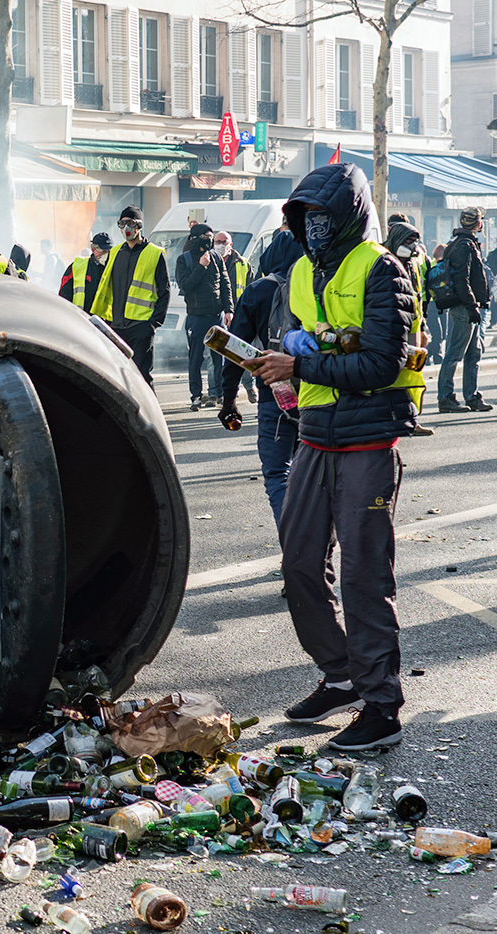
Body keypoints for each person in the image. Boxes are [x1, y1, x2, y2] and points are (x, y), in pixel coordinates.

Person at [251, 162, 421, 752]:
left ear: (348, 215)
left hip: (370, 441)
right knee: (299, 564)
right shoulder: (300, 270)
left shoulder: (383, 269)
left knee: (364, 576)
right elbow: (303, 336)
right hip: (314, 433)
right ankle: (341, 672)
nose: (314, 227)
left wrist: (299, 363)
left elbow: (380, 363)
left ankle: (382, 705)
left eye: (323, 216)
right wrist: (276, 362)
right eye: (306, 217)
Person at [217, 228, 307, 529]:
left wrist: (229, 398)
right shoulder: (317, 286)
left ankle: (298, 551)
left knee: (277, 473)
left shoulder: (258, 290)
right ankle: (320, 551)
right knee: (315, 477)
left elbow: (235, 348)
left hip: (275, 396)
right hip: (320, 394)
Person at [87, 205, 170, 385]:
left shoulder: (154, 253)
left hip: (141, 326)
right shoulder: (115, 252)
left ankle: (149, 413)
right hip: (117, 326)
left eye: (130, 223)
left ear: (139, 226)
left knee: (142, 377)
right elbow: (105, 285)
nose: (126, 228)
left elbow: (165, 291)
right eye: (122, 223)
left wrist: (153, 324)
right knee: (120, 376)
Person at [435, 207, 492, 414]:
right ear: (479, 224)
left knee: (473, 354)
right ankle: (446, 397)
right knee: (454, 353)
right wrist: (471, 306)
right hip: (464, 307)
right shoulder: (464, 246)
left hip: (468, 306)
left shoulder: (461, 243)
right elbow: (461, 280)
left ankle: (472, 396)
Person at [383, 221, 436, 436]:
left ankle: (411, 419)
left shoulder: (413, 264)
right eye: (408, 241)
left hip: (411, 324)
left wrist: (422, 326)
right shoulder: (383, 261)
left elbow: (418, 296)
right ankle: (388, 419)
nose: (413, 246)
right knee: (388, 374)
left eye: (415, 241)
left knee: (413, 373)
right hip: (388, 325)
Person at [176, 222, 232, 410]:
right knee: (196, 358)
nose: (210, 241)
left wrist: (229, 310)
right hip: (196, 318)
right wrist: (201, 267)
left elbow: (225, 284)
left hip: (216, 316)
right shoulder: (184, 260)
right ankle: (196, 396)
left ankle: (219, 393)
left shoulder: (216, 257)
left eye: (211, 236)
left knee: (219, 357)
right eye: (207, 237)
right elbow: (186, 286)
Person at [215, 229, 258, 403]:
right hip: (219, 313)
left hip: (240, 314)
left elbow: (252, 287)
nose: (220, 245)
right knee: (221, 354)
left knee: (243, 351)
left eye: (224, 242)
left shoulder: (242, 263)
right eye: (217, 241)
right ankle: (219, 393)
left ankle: (249, 386)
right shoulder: (210, 261)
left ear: (230, 245)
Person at [59, 232, 111, 311]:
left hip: (105, 321)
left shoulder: (114, 268)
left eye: (109, 250)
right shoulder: (77, 266)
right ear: (93, 249)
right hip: (81, 318)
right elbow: (64, 294)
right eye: (103, 250)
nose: (107, 254)